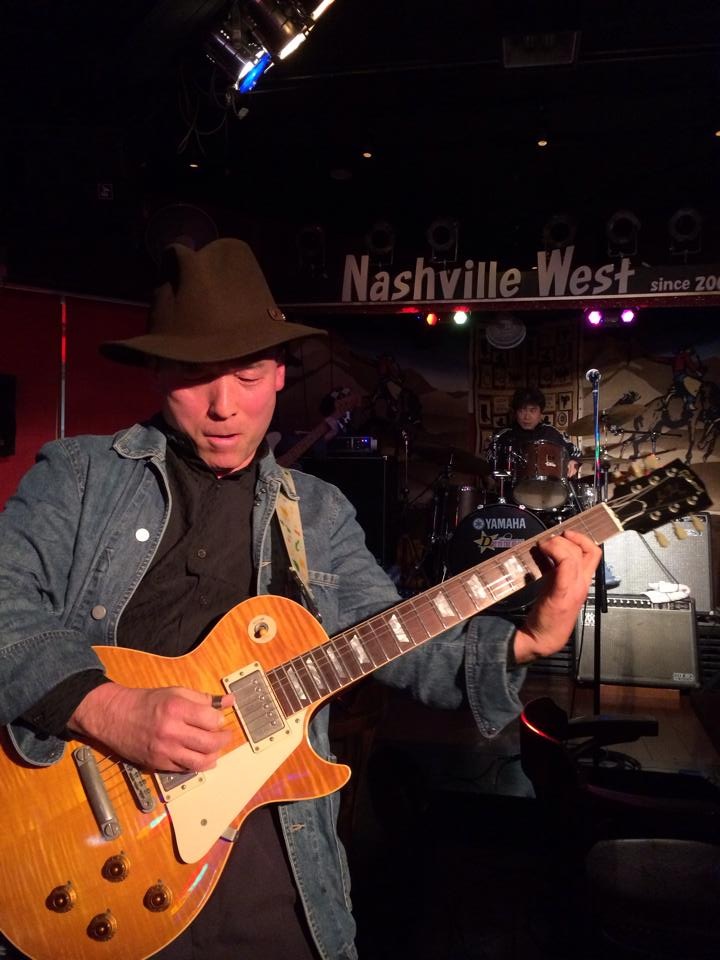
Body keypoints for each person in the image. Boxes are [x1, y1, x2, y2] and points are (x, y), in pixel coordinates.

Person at [0, 239, 601, 960]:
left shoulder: (317, 513)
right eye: (195, 376)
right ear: (157, 370)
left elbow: (393, 635)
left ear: (281, 373)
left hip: (269, 873)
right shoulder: (79, 478)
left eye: (248, 375)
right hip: (86, 841)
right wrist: (107, 708)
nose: (224, 406)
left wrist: (527, 640)